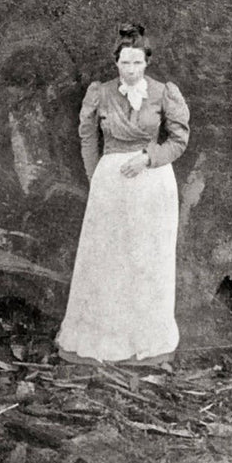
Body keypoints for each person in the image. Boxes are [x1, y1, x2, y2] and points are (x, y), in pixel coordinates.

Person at [57, 22, 190, 365]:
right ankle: (107, 340)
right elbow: (87, 136)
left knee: (147, 259)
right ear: (116, 62)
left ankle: (146, 339)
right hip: (111, 183)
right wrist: (98, 177)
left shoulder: (163, 92)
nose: (131, 70)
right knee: (108, 261)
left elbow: (179, 140)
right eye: (125, 62)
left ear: (147, 62)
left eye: (137, 62)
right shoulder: (100, 93)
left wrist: (148, 157)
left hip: (153, 183)